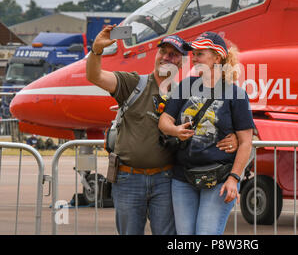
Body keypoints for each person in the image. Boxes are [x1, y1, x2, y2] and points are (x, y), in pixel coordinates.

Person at [86, 26, 238, 235]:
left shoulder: (185, 93)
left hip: (165, 181)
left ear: (183, 62)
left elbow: (212, 124)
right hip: (129, 179)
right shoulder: (133, 84)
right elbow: (95, 76)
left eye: (174, 54)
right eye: (163, 52)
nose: (167, 57)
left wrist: (235, 139)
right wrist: (96, 51)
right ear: (156, 55)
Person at [159, 31, 254, 235]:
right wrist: (175, 130)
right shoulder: (186, 85)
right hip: (183, 178)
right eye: (194, 54)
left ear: (217, 58)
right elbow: (164, 120)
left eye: (200, 54)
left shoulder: (236, 94)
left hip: (219, 179)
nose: (194, 58)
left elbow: (246, 142)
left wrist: (234, 179)